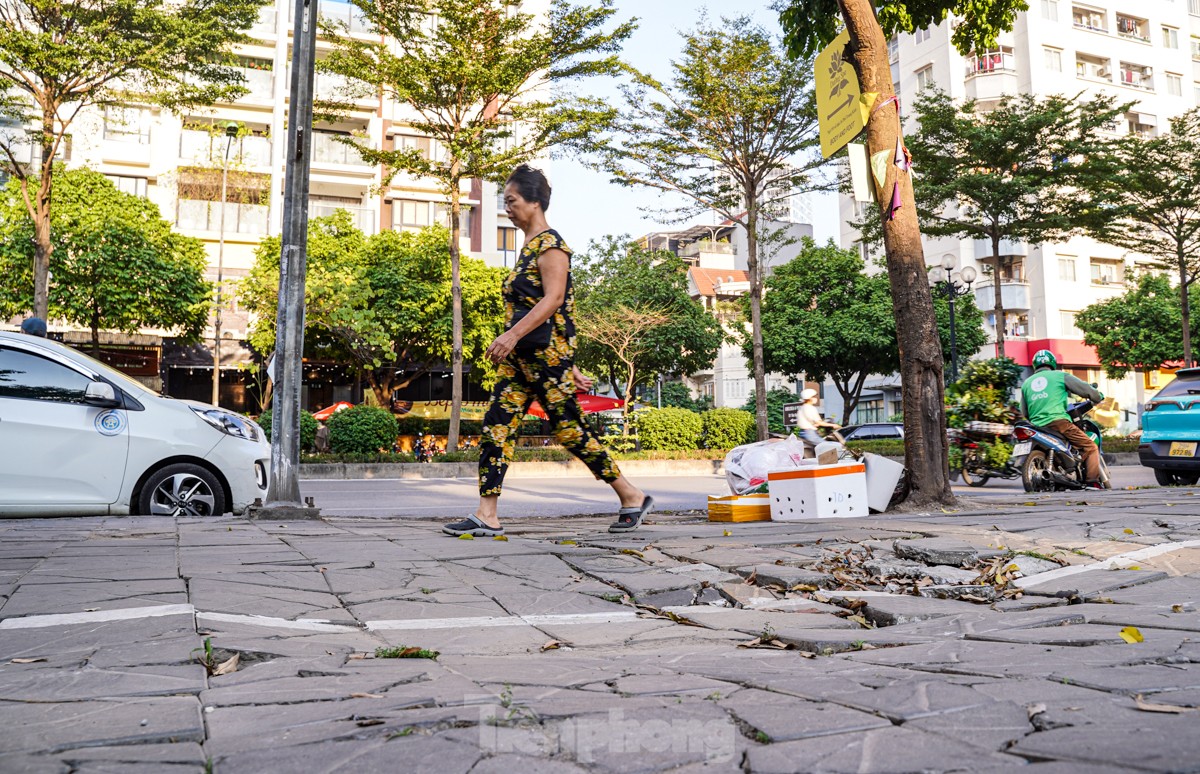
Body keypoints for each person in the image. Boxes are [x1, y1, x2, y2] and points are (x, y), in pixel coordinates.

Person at [442, 164, 652, 538]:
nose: (508, 208)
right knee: (496, 429)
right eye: (505, 201)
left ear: (535, 202)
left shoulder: (552, 246)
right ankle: (486, 514)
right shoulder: (526, 247)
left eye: (512, 201)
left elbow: (556, 300)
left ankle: (631, 495)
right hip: (522, 359)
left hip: (540, 354)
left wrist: (522, 342)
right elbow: (537, 304)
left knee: (570, 430)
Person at [1020, 349, 1104, 489]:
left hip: (1037, 426)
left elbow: (1024, 412)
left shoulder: (1026, 383)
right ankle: (1092, 482)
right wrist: (1096, 396)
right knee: (1090, 447)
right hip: (1059, 423)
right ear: (1052, 363)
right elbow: (1085, 389)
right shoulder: (1060, 376)